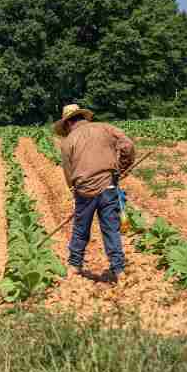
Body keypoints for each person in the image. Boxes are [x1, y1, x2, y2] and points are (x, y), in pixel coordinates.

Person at [55, 104, 136, 284]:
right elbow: (128, 144)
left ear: (68, 123)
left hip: (84, 190)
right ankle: (119, 270)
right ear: (83, 117)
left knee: (81, 229)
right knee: (110, 229)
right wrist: (122, 168)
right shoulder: (105, 128)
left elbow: (68, 174)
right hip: (108, 187)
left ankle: (75, 266)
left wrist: (73, 190)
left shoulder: (68, 141)